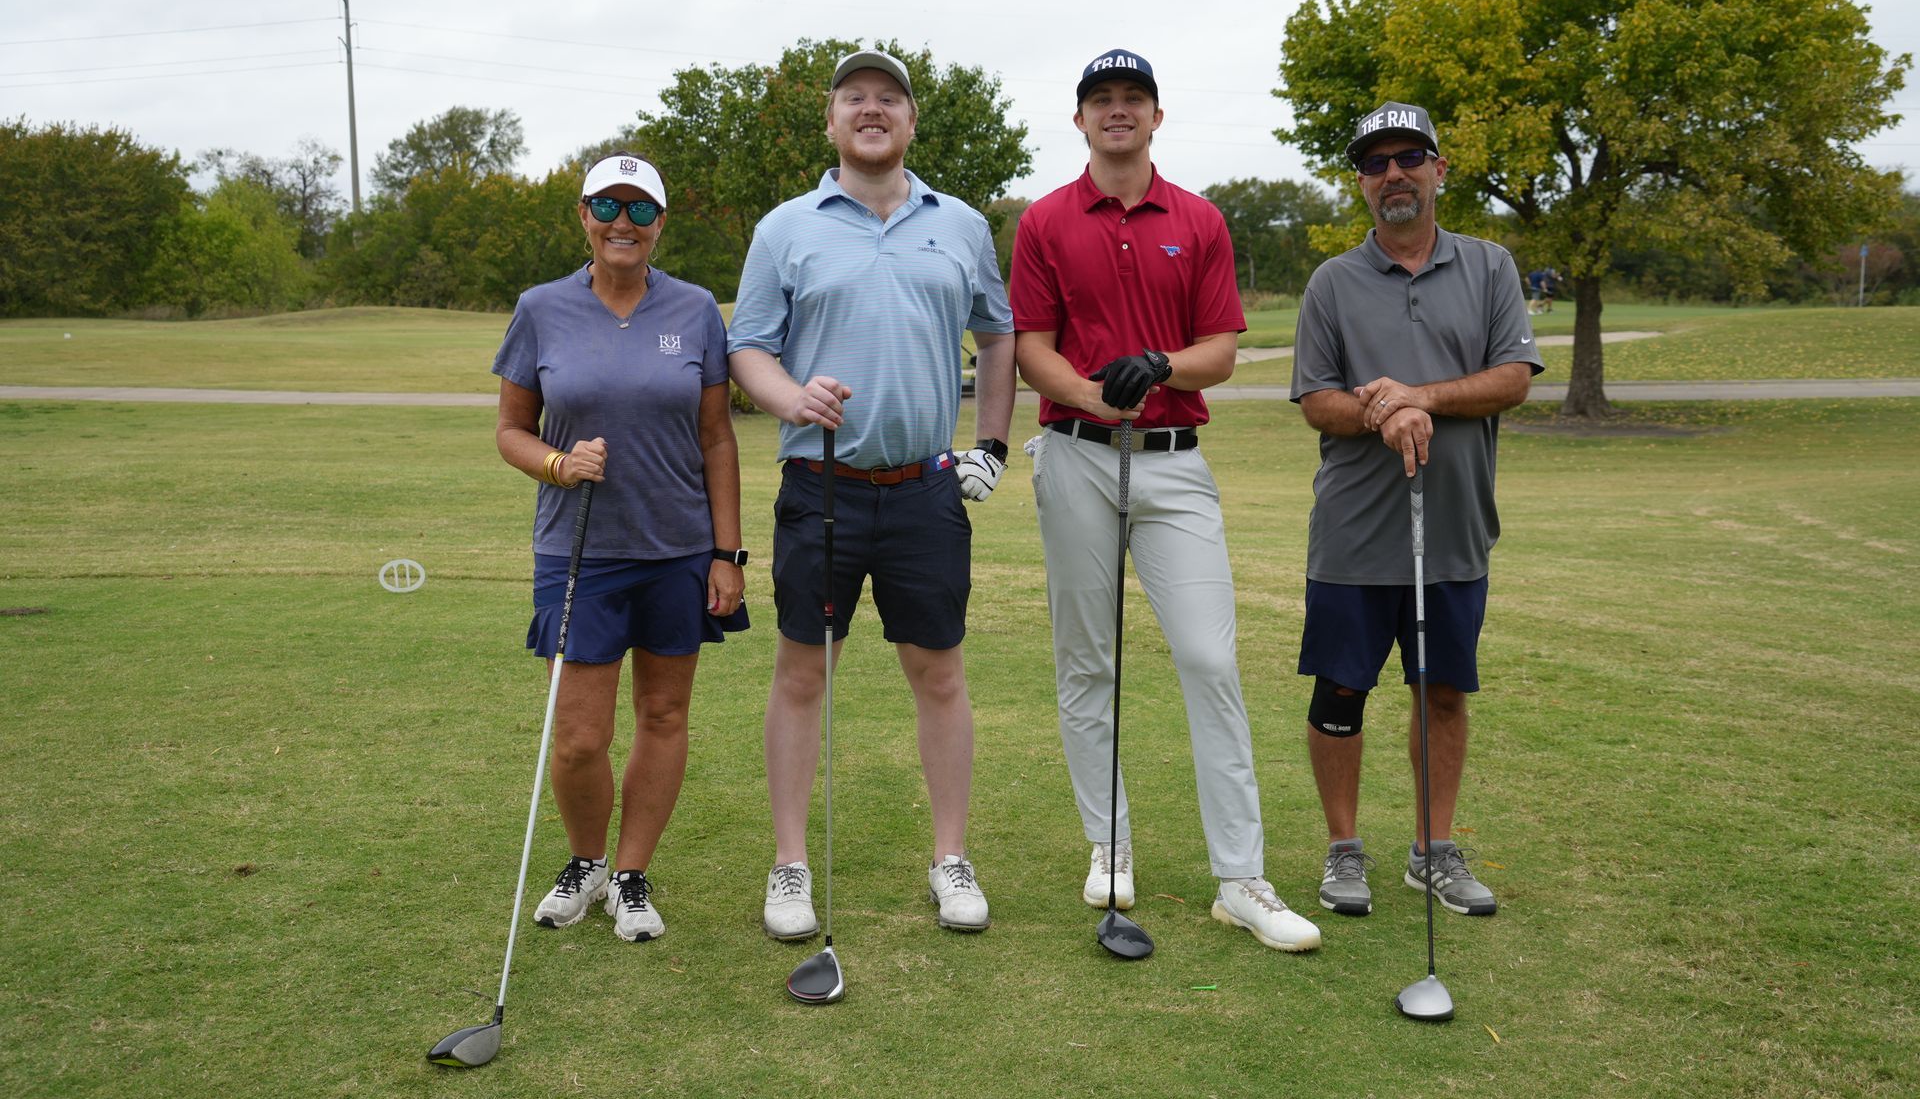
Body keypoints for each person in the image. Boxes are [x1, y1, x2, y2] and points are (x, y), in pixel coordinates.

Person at [1010, 48, 1321, 954]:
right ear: (1079, 119)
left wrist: (1164, 366)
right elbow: (1033, 347)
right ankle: (1109, 843)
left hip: (1176, 462)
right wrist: (1093, 393)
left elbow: (1221, 346)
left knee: (1208, 660)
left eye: (1132, 100)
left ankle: (1242, 878)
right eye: (1101, 101)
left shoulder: (1199, 219)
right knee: (1087, 661)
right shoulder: (1044, 222)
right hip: (1076, 454)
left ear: (1155, 116)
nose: (1117, 113)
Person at [728, 49, 1016, 939]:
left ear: (910, 120)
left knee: (938, 672)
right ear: (832, 121)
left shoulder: (961, 224)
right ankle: (788, 866)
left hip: (926, 487)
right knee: (804, 671)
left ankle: (950, 858)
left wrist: (992, 447)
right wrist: (789, 396)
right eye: (854, 97)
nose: (871, 108)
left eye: (888, 97)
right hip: (821, 485)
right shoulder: (787, 227)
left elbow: (998, 335)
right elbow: (748, 348)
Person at [1289, 101, 1542, 920]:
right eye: (1375, 163)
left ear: (1439, 169)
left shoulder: (1491, 267)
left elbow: (1513, 377)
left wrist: (1419, 396)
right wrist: (1384, 413)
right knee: (1341, 693)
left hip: (1456, 528)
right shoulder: (1333, 282)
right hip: (1357, 532)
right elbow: (1317, 401)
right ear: (1361, 183)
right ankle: (1343, 851)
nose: (1392, 174)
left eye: (1409, 158)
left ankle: (1432, 851)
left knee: (1441, 693)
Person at [492, 152, 749, 944]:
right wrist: (557, 465)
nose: (623, 224)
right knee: (579, 737)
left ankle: (631, 875)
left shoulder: (698, 308)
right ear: (582, 215)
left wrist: (728, 555)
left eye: (641, 210)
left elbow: (716, 437)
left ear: (660, 224)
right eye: (608, 205)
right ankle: (586, 861)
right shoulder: (541, 308)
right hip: (579, 550)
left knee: (664, 714)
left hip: (677, 548)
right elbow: (510, 431)